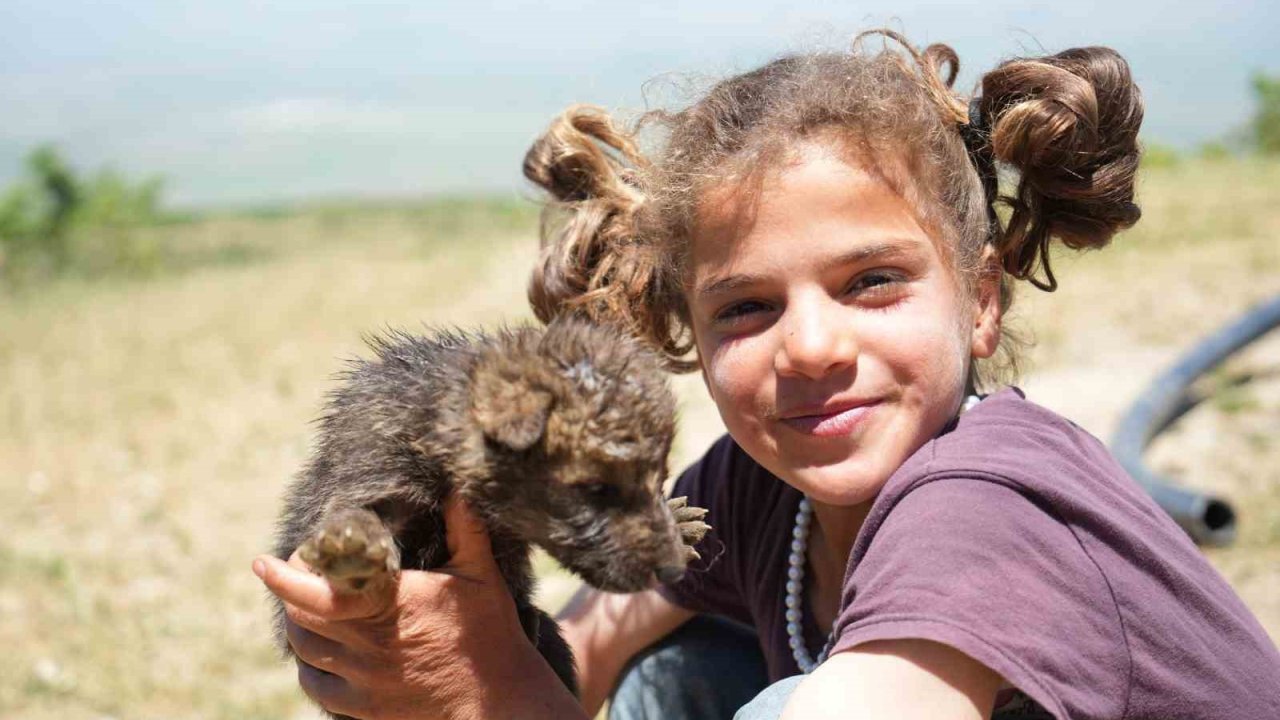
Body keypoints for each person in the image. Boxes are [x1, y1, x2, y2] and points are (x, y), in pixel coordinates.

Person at [253, 30, 1280, 719]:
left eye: (870, 282)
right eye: (745, 306)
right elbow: (594, 640)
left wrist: (496, 695)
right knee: (678, 674)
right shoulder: (759, 488)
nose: (808, 347)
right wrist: (439, 645)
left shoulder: (985, 511)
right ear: (689, 332)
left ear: (979, 301)